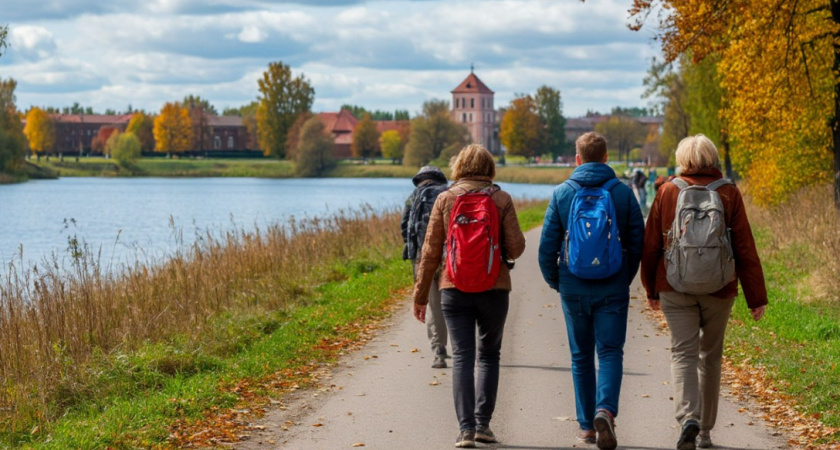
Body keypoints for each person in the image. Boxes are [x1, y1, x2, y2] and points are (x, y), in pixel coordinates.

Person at [641, 135, 767, 450]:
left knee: (682, 353)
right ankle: (706, 433)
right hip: (720, 287)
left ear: (683, 158)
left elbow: (651, 245)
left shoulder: (668, 191)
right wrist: (756, 297)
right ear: (711, 158)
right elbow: (744, 247)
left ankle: (688, 419)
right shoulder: (728, 192)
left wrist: (650, 288)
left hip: (674, 284)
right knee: (710, 357)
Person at [413, 144, 526, 448]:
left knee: (463, 356)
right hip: (495, 288)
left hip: (453, 287)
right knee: (489, 354)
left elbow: (430, 251)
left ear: (459, 167)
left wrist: (420, 295)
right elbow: (516, 248)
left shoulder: (445, 198)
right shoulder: (501, 199)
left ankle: (465, 430)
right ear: (489, 168)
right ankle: (483, 427)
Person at [538, 132, 645, 450]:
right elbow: (638, 241)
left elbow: (547, 246)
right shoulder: (623, 194)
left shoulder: (562, 193)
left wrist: (557, 281)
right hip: (612, 283)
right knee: (610, 352)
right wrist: (625, 276)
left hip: (573, 285)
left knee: (580, 356)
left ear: (577, 158)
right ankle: (605, 410)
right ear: (606, 156)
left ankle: (586, 427)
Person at [401, 166, 450, 369]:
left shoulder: (413, 197)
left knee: (433, 304)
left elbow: (405, 228)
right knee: (453, 302)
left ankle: (439, 350)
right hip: (448, 257)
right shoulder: (447, 194)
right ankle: (463, 347)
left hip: (422, 258)